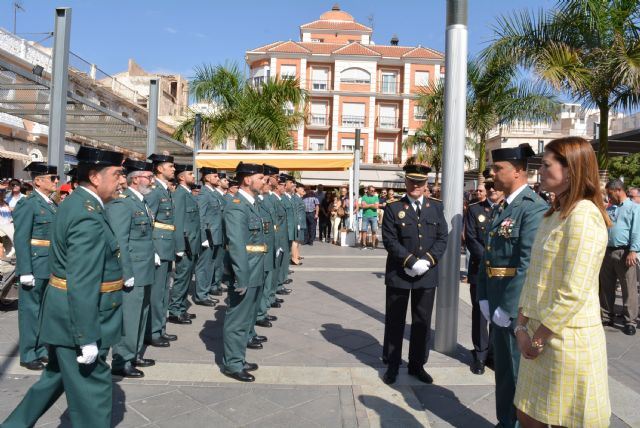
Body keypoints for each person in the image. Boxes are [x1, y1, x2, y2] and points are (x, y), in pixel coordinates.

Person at [2, 146, 124, 428]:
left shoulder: (82, 204)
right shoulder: (86, 214)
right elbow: (81, 280)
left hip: (64, 316)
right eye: (117, 174)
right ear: (95, 176)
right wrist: (86, 336)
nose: (122, 180)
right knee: (94, 395)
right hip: (76, 321)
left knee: (53, 380)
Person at [514, 137, 612, 427]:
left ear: (570, 170)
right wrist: (521, 326)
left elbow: (574, 291)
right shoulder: (553, 214)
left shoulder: (584, 216)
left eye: (546, 165)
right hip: (537, 338)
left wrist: (538, 337)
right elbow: (534, 277)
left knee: (559, 421)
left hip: (565, 342)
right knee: (527, 415)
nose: (539, 172)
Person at [477, 143, 547, 428]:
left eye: (498, 168)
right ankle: (505, 420)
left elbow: (527, 263)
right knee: (503, 370)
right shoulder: (503, 205)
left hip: (516, 306)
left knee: (517, 372)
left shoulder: (532, 208)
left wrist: (508, 307)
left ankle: (517, 423)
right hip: (496, 300)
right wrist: (483, 294)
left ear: (519, 171)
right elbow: (489, 253)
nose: (492, 173)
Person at [381, 164, 448, 385]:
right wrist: (410, 261)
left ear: (426, 184)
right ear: (406, 182)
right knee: (395, 321)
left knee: (422, 321)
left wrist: (426, 262)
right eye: (411, 181)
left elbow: (442, 238)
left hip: (426, 274)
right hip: (399, 274)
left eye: (420, 182)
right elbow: (390, 240)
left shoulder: (436, 207)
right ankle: (392, 364)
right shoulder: (393, 207)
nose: (416, 186)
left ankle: (417, 364)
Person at [107, 159, 156, 378]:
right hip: (133, 270)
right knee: (130, 316)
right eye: (148, 177)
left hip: (144, 268)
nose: (152, 181)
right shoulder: (123, 203)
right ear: (136, 179)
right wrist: (126, 272)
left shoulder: (141, 202)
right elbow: (120, 241)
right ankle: (122, 360)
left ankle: (134, 353)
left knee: (142, 314)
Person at [222, 162, 266, 382]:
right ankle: (232, 363)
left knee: (247, 318)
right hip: (246, 270)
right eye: (261, 178)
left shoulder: (252, 204)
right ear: (247, 180)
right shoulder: (237, 206)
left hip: (256, 268)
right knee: (238, 319)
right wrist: (242, 276)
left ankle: (239, 357)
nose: (264, 182)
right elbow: (237, 245)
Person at [13, 162, 58, 371]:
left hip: (49, 264)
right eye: (52, 178)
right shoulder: (28, 203)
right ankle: (28, 353)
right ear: (38, 181)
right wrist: (25, 271)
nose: (57, 181)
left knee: (44, 311)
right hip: (34, 263)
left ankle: (41, 349)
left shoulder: (50, 203)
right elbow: (21, 238)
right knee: (30, 311)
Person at [144, 153, 178, 347]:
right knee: (157, 293)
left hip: (166, 247)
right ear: (159, 169)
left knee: (164, 291)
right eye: (170, 166)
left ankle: (160, 328)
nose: (173, 169)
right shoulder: (155, 191)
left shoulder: (165, 191)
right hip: (158, 247)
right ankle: (153, 331)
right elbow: (148, 222)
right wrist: (153, 250)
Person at [600, 179, 640, 335]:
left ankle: (630, 320)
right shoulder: (611, 208)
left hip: (625, 252)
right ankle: (606, 315)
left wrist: (633, 250)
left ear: (618, 190)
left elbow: (636, 231)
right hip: (607, 251)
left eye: (610, 194)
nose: (609, 198)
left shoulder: (633, 208)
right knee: (606, 286)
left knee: (628, 287)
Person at [463, 183, 496, 375]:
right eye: (489, 186)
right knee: (480, 314)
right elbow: (471, 238)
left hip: (503, 273)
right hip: (480, 270)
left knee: (500, 315)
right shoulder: (475, 210)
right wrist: (489, 261)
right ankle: (480, 355)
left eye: (495, 185)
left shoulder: (509, 210)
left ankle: (493, 353)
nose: (492, 189)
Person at [167, 164, 201, 323]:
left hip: (192, 243)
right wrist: (179, 246)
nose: (194, 176)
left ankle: (181, 308)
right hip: (186, 244)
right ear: (181, 177)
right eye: (190, 174)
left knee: (186, 278)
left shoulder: (188, 194)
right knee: (181, 278)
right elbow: (178, 222)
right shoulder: (180, 194)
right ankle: (175, 310)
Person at [194, 167, 223, 307]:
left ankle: (206, 291)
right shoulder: (204, 194)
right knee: (204, 266)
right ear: (207, 178)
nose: (218, 179)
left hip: (216, 235)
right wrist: (204, 237)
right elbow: (200, 216)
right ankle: (201, 295)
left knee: (210, 265)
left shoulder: (213, 193)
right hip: (209, 236)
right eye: (215, 176)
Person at [360, 185, 380, 250]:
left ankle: (373, 245)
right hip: (365, 215)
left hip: (374, 216)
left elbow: (376, 207)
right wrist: (372, 205)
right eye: (371, 190)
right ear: (368, 190)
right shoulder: (364, 197)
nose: (373, 192)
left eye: (374, 191)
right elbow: (363, 206)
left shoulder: (376, 197)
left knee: (374, 231)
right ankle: (364, 245)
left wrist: (367, 205)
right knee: (364, 230)